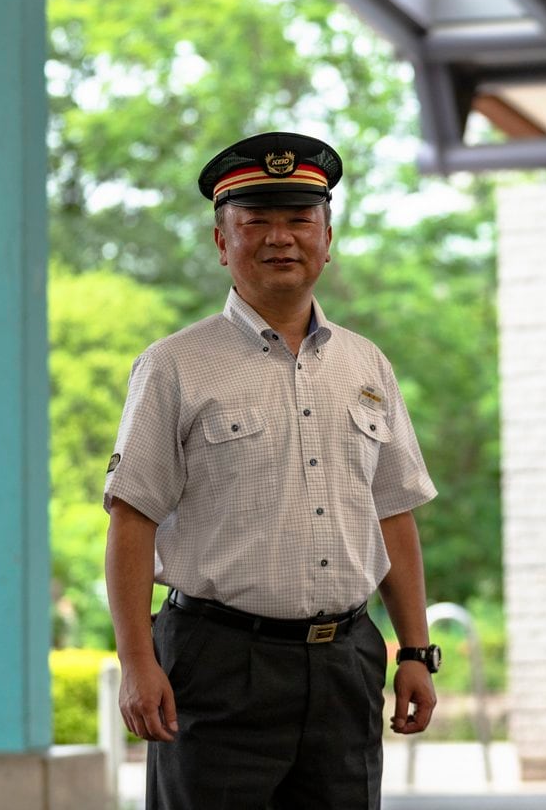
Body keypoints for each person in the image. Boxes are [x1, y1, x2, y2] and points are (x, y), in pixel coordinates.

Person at [103, 131, 440, 810]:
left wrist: (415, 651)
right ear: (222, 241)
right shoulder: (173, 366)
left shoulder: (367, 365)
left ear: (327, 237)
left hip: (346, 664)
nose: (280, 238)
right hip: (217, 667)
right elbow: (132, 520)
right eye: (256, 220)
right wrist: (136, 662)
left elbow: (392, 511)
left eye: (299, 220)